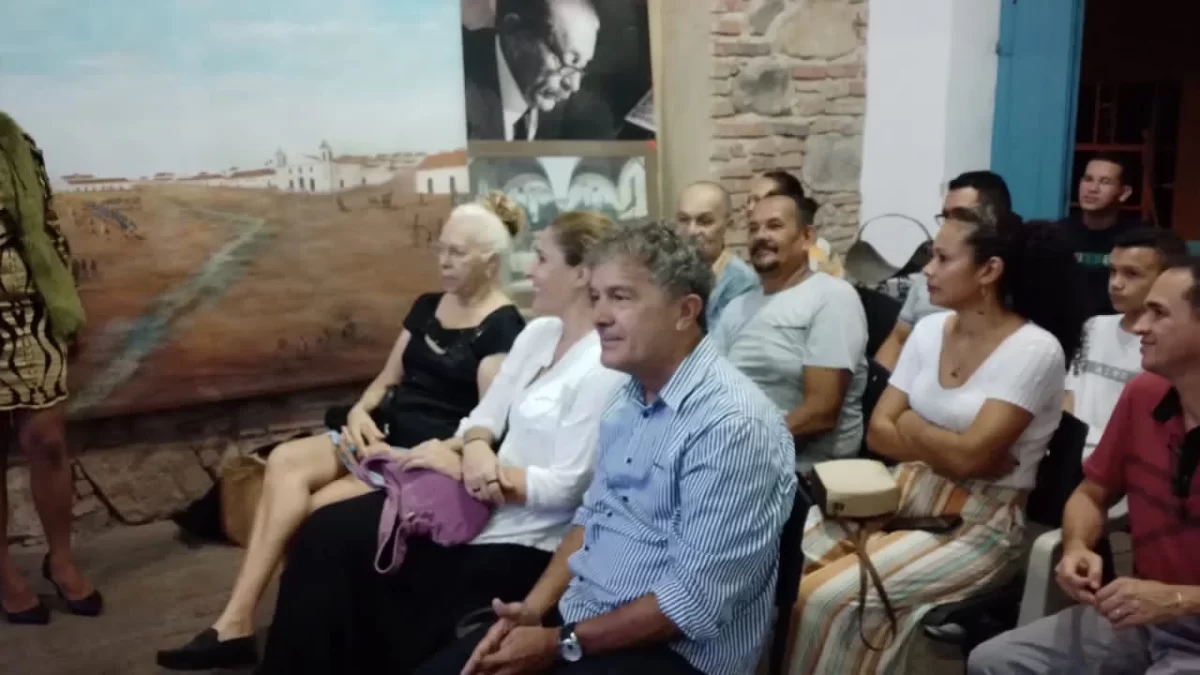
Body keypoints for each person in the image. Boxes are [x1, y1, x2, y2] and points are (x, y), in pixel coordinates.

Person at [156, 193, 527, 670]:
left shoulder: (503, 329)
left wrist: (420, 451)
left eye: (457, 252)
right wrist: (358, 415)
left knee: (314, 514)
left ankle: (297, 632)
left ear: (490, 263)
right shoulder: (427, 306)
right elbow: (385, 381)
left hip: (418, 456)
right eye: (441, 248)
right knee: (284, 460)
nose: (443, 260)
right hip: (380, 432)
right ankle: (237, 620)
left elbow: (487, 424)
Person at [253, 211, 628, 674]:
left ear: (582, 273)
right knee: (325, 532)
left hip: (525, 541)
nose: (529, 269)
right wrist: (473, 450)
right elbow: (483, 418)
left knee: (352, 563)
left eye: (541, 258)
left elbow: (567, 487)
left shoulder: (602, 364)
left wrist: (476, 472)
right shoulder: (538, 334)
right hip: (475, 508)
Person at [416, 220, 797, 675]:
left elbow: (689, 605)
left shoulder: (733, 426)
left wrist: (557, 643)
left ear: (685, 311)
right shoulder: (627, 396)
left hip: (674, 658)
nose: (599, 315)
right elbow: (594, 516)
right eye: (596, 296)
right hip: (585, 625)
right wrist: (533, 611)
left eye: (621, 297)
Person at [787, 208, 1088, 674]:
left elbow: (967, 459)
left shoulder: (1033, 349)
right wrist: (952, 446)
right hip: (901, 492)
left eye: (943, 259)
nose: (926, 270)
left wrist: (912, 425)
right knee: (785, 560)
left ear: (988, 270)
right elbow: (880, 432)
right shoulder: (929, 330)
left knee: (823, 597)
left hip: (979, 523)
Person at [967, 256, 1200, 674]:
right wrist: (1077, 546)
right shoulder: (1143, 395)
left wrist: (1178, 600)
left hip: (1178, 614)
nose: (1140, 326)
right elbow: (1091, 494)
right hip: (1142, 617)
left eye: (1159, 313)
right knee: (994, 662)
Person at [0, 112, 100, 624]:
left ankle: (59, 559)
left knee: (49, 440)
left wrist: (67, 308)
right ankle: (4, 575)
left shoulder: (16, 142)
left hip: (31, 315)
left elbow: (47, 228)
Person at [714, 193, 868, 470]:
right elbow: (711, 385)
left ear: (807, 237)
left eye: (774, 226)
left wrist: (739, 449)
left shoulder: (832, 297)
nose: (761, 236)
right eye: (753, 228)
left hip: (797, 469)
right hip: (730, 454)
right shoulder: (738, 306)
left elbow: (821, 412)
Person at [874, 170, 1013, 370]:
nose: (949, 225)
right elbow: (898, 339)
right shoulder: (930, 276)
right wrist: (879, 383)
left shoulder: (1008, 285)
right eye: (946, 216)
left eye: (960, 216)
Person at [1067, 227, 1187, 458]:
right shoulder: (1093, 326)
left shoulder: (1172, 346)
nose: (1116, 283)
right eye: (1112, 272)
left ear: (1166, 279)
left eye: (1132, 274)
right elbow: (1069, 394)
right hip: (1070, 458)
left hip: (1121, 463)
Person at [461, 0, 600, 141]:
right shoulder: (455, 86)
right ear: (513, 31)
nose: (574, 85)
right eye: (568, 61)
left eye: (582, 67)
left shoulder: (567, 113)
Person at [1060, 152, 1148, 317]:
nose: (1092, 189)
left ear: (1124, 193)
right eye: (1088, 179)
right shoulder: (1058, 234)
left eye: (1104, 182)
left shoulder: (1140, 239)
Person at [672, 181, 758, 329]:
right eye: (684, 220)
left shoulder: (742, 284)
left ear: (728, 224)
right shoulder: (670, 273)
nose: (692, 231)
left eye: (705, 222)